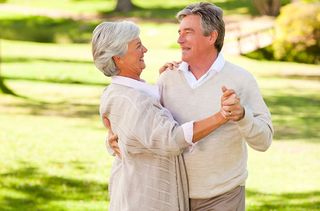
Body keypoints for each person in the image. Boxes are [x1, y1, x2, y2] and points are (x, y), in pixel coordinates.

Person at [108, 2, 274, 210]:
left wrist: (242, 116)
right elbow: (150, 130)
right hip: (173, 197)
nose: (179, 39)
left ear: (211, 37)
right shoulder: (167, 78)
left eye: (188, 32)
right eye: (179, 32)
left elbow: (264, 140)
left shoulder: (241, 80)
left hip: (223, 197)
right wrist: (114, 140)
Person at [92, 20, 237, 211]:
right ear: (118, 58)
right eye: (137, 46)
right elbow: (171, 139)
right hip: (144, 200)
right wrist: (221, 116)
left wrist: (161, 85)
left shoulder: (122, 92)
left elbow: (141, 125)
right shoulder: (131, 101)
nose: (145, 49)